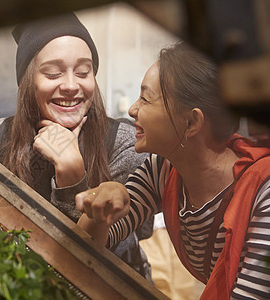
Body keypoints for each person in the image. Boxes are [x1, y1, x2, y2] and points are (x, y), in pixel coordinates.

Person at [75, 42, 270, 299]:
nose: (133, 109)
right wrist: (104, 202)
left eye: (146, 98)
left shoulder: (263, 196)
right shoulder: (164, 172)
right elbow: (89, 245)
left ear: (191, 122)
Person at [0, 13, 153, 280]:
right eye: (53, 73)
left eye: (83, 72)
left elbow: (95, 259)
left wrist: (72, 175)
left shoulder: (125, 143)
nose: (71, 85)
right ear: (27, 82)